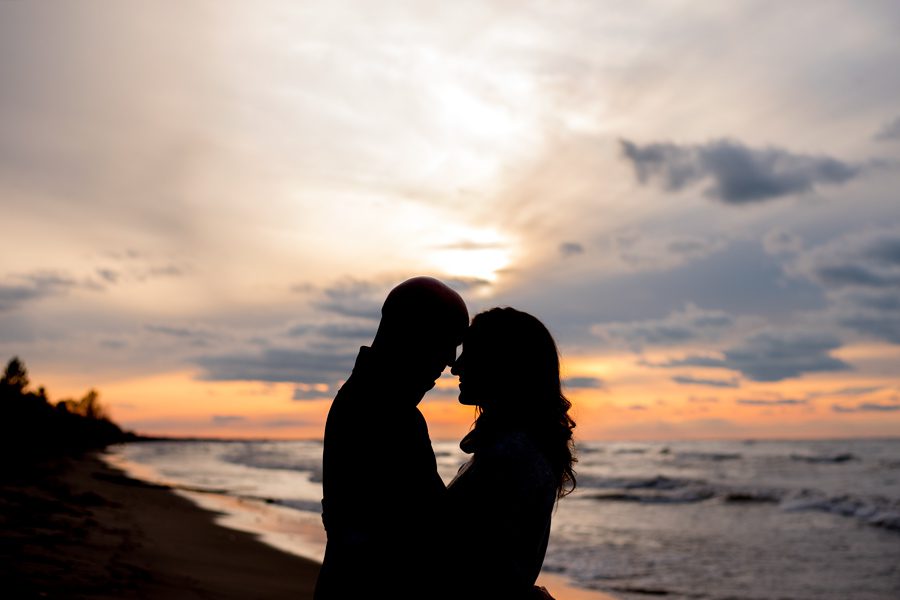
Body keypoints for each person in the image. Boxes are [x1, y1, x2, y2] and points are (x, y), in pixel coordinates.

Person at [314, 276, 469, 600]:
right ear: (414, 333)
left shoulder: (368, 400)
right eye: (448, 341)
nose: (451, 362)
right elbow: (432, 528)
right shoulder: (385, 412)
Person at [445, 307, 577, 600]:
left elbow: (483, 571)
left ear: (503, 363)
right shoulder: (506, 448)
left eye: (472, 353)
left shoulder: (510, 457)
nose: (457, 366)